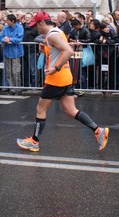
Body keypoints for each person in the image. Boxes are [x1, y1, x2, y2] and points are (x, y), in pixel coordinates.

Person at [16, 11, 110, 152]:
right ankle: (98, 131)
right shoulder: (56, 32)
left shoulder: (52, 35)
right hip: (65, 77)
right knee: (70, 110)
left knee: (40, 109)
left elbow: (68, 51)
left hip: (56, 79)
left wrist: (56, 68)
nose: (36, 28)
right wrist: (45, 50)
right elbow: (59, 51)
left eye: (36, 25)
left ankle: (34, 142)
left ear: (42, 23)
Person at [0, 14, 24, 94]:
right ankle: (12, 88)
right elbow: (0, 37)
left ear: (12, 21)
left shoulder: (19, 27)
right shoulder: (5, 28)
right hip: (7, 52)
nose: (6, 22)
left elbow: (19, 38)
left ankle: (18, 88)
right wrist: (4, 39)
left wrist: (10, 39)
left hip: (16, 52)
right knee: (8, 72)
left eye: (7, 21)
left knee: (16, 72)